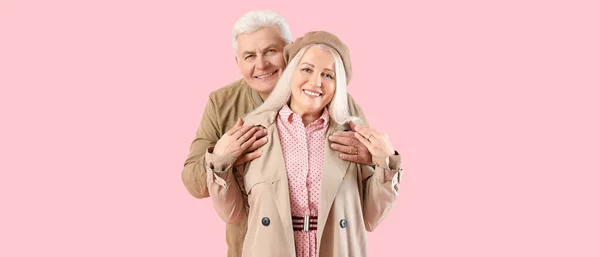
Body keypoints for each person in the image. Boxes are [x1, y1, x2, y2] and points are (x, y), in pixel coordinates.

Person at [181, 10, 375, 257]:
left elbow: (368, 191)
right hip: (250, 246)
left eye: (270, 51)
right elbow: (193, 182)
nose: (261, 64)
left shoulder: (337, 102)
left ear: (289, 54)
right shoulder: (222, 103)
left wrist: (375, 160)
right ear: (238, 63)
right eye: (249, 56)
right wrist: (222, 157)